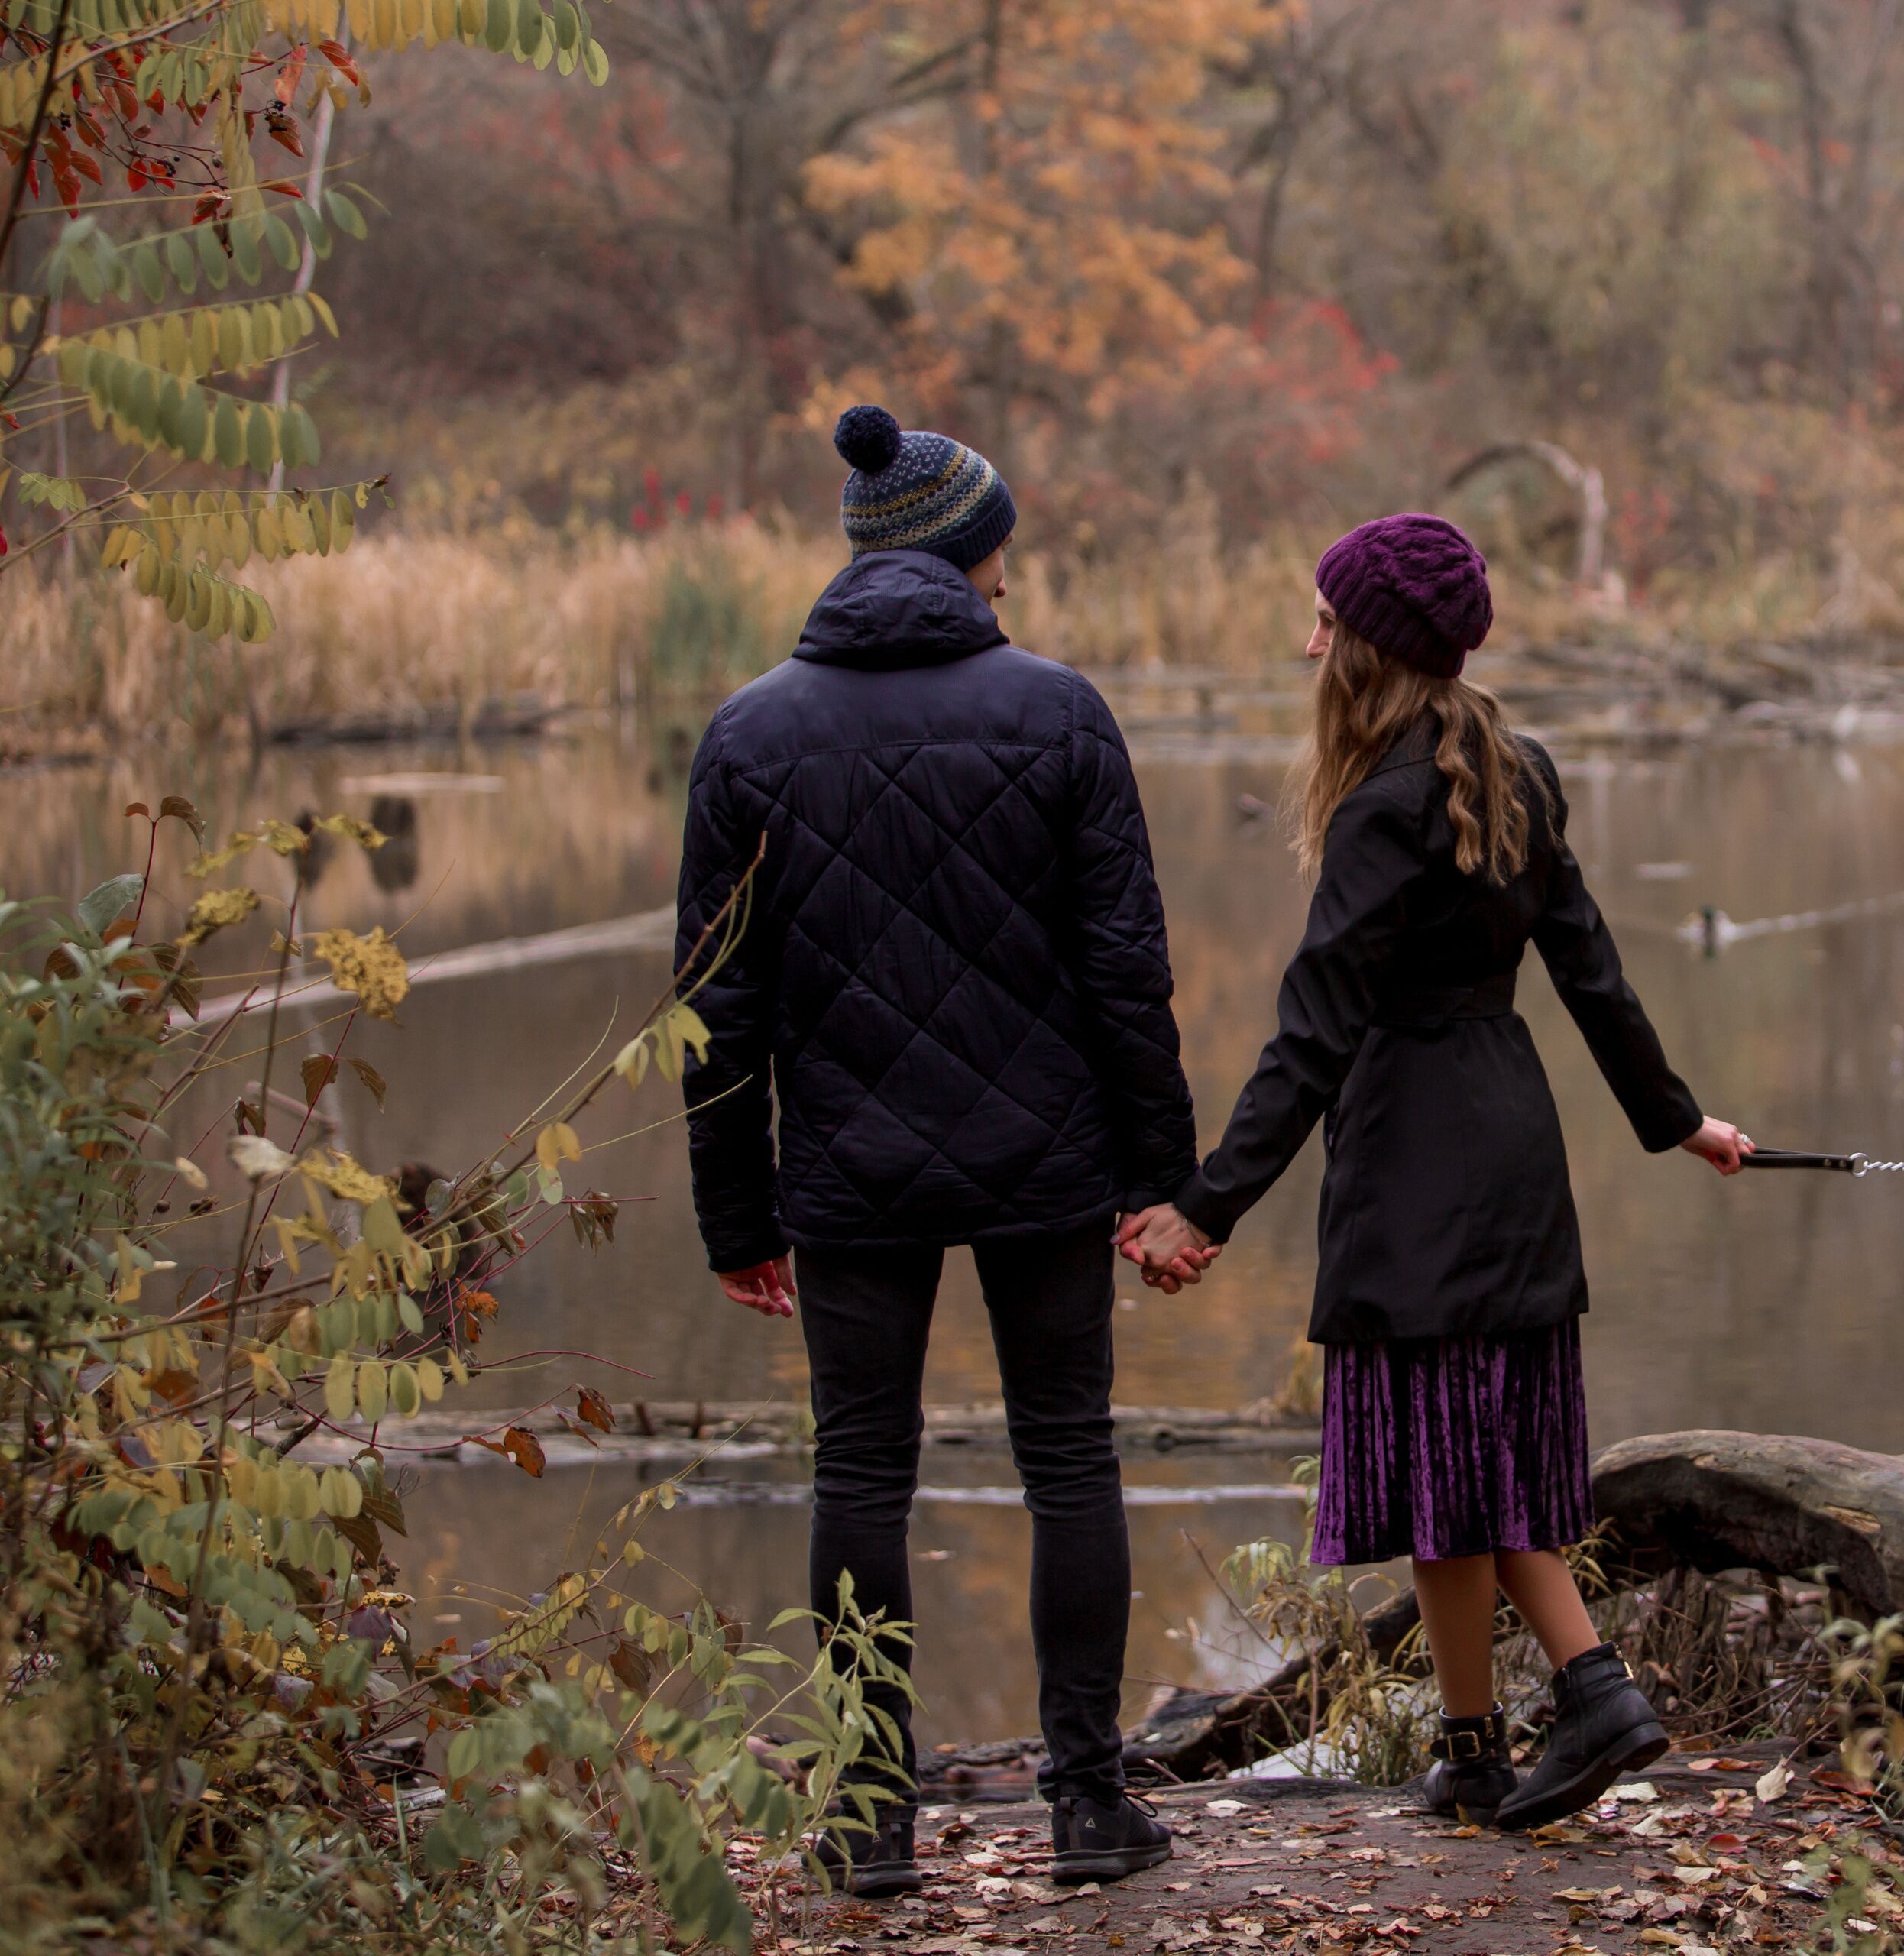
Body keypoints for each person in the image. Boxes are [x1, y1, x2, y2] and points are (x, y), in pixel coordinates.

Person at [1118, 513, 1750, 1830]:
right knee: (1454, 1466)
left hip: (1416, 1158)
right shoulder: (1517, 767)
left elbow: (1313, 1029)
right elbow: (1591, 974)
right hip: (1510, 1141)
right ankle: (1471, 1753)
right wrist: (1676, 1121)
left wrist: (1205, 1204)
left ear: (1372, 651)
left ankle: (1595, 1692)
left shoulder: (1381, 809)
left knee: (1458, 1467)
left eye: (1325, 622)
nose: (1308, 644)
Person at [676, 405, 1196, 1897]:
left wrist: (734, 1213)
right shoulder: (1060, 713)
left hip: (846, 1167)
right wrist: (1156, 1171)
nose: (1012, 584)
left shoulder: (749, 731)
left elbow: (715, 1005)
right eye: (1001, 557)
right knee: (1068, 1456)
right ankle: (1091, 1806)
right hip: (1046, 1152)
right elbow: (1124, 971)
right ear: (963, 556)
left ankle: (867, 1816)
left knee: (860, 1468)